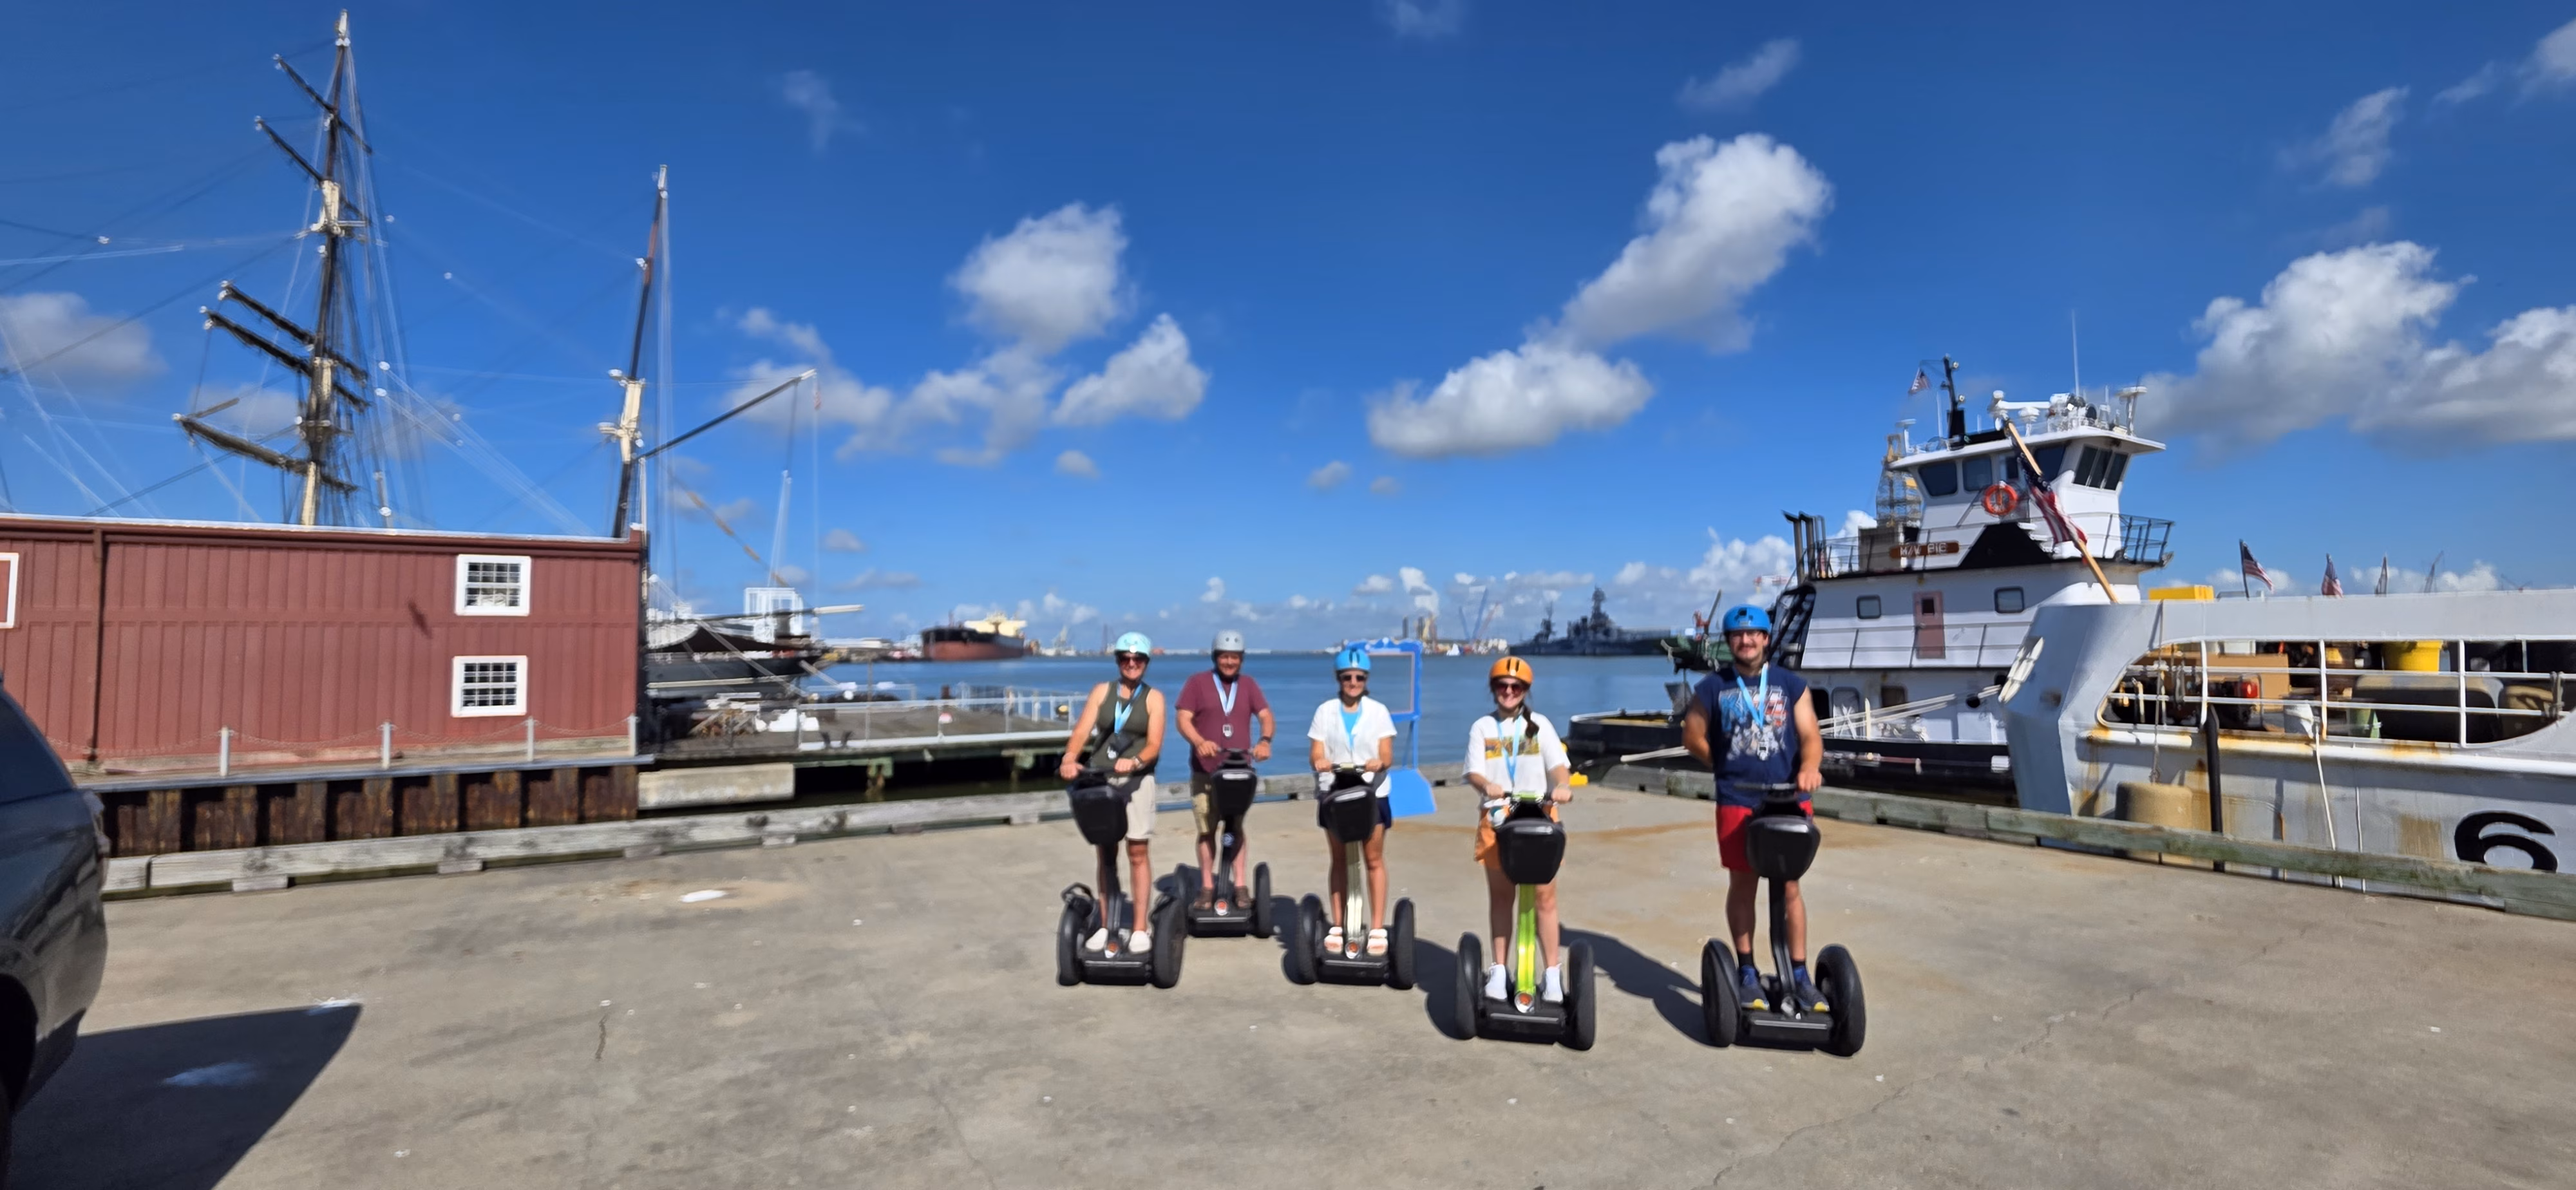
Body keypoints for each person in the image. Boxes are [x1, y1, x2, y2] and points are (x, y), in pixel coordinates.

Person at [1680, 605, 1826, 1014]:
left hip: (1788, 798)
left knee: (1790, 886)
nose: (1746, 641)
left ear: (1765, 639)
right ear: (1729, 642)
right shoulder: (1713, 687)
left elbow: (1810, 735)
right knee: (1743, 884)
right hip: (1738, 799)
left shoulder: (1790, 684)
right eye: (1738, 636)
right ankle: (1747, 971)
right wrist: (1722, 763)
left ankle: (1799, 973)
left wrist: (1810, 767)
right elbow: (1692, 735)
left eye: (1753, 634)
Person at [1462, 656, 1575, 1003]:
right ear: (1493, 688)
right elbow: (1473, 772)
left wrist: (1562, 786)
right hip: (1497, 820)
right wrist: (1486, 786)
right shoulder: (1483, 727)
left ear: (1526, 690)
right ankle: (1499, 970)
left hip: (1539, 817)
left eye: (1517, 686)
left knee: (1545, 898)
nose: (1509, 691)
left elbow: (1558, 766)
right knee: (1501, 897)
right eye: (1502, 685)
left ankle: (1552, 974)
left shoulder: (1539, 725)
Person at [1057, 631, 1168, 952]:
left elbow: (1155, 744)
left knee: (1137, 852)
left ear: (1146, 663)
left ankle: (1140, 927)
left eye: (1138, 659)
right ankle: (1106, 924)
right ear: (1118, 661)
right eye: (1125, 659)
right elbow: (1082, 730)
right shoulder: (1101, 692)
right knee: (1105, 853)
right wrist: (1069, 758)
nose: (1131, 664)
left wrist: (1135, 761)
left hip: (1137, 782)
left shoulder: (1154, 698)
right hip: (1101, 779)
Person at [1305, 647, 1398, 956]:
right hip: (1334, 791)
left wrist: (1379, 762)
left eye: (1359, 677)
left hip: (1371, 793)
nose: (1353, 682)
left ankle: (1377, 927)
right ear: (1339, 678)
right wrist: (1320, 761)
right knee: (1339, 859)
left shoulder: (1378, 711)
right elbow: (1316, 752)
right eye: (1347, 677)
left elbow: (1387, 754)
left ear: (1366, 679)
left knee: (1373, 859)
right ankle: (1338, 923)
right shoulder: (1325, 711)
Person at [1174, 629, 1275, 911]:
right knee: (1207, 830)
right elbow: (1183, 718)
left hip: (1239, 773)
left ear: (1241, 659)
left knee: (1236, 829)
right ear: (1215, 657)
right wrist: (1199, 742)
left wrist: (1265, 741)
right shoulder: (1197, 683)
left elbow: (1266, 715)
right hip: (1206, 772)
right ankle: (1208, 886)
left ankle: (1240, 885)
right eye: (1224, 656)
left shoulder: (1249, 685)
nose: (1229, 662)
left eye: (1235, 657)